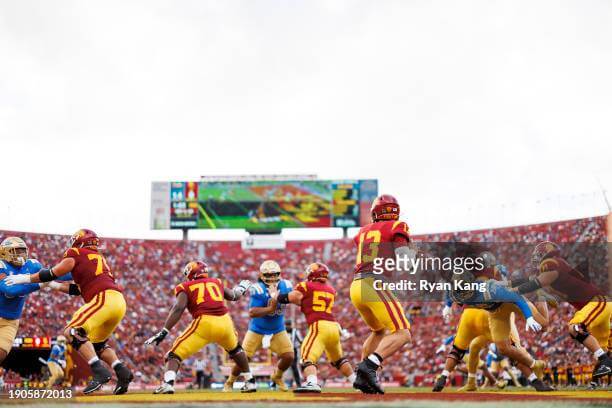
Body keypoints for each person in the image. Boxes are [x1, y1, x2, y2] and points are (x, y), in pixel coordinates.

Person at [4, 229, 133, 394]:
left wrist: (24, 278)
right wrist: (53, 285)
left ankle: (99, 371)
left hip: (104, 299)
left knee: (71, 331)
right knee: (96, 345)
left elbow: (53, 272)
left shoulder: (75, 252)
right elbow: (77, 289)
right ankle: (122, 372)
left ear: (79, 240)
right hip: (118, 302)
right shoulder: (97, 259)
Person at [145, 261, 254, 394]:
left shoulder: (185, 286)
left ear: (190, 273)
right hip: (225, 322)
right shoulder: (216, 282)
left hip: (204, 322)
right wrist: (241, 288)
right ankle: (250, 381)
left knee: (173, 355)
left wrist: (164, 331)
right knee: (236, 349)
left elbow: (179, 308)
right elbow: (233, 296)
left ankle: (168, 384)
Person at [509, 241, 612, 379]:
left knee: (575, 328)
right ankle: (599, 375)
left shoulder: (551, 263)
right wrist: (506, 284)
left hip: (597, 302)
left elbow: (535, 283)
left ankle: (605, 361)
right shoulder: (557, 266)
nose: (536, 258)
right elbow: (529, 280)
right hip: (595, 304)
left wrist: (512, 291)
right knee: (602, 348)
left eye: (538, 254)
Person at [350, 195, 413, 394]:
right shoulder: (397, 226)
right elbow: (404, 257)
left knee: (378, 331)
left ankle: (364, 380)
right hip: (375, 283)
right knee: (403, 333)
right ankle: (369, 366)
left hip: (357, 286)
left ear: (376, 213)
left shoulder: (363, 231)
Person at [272, 262, 356, 393]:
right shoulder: (331, 290)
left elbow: (293, 297)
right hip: (333, 326)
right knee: (338, 359)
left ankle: (312, 383)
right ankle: (356, 382)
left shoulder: (306, 286)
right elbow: (305, 301)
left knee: (307, 356)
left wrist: (276, 295)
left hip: (319, 325)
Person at [225, 260, 294, 392]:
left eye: (275, 274)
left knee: (289, 356)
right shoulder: (259, 288)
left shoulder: (286, 285)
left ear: (279, 274)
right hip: (257, 330)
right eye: (269, 275)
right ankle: (229, 382)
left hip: (278, 329)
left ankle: (277, 376)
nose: (272, 278)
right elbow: (252, 312)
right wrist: (270, 308)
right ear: (262, 275)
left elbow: (294, 297)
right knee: (243, 358)